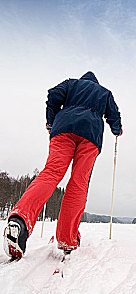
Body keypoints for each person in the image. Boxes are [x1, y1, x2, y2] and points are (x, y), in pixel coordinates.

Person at [3, 71, 122, 259]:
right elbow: (114, 116)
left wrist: (51, 121)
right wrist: (117, 129)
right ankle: (67, 238)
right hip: (90, 137)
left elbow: (53, 94)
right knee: (79, 183)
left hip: (63, 130)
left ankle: (20, 219)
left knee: (51, 172)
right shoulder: (104, 93)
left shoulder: (70, 84)